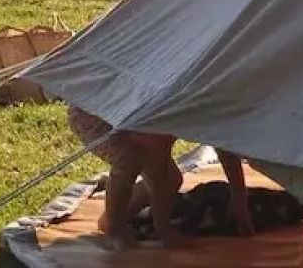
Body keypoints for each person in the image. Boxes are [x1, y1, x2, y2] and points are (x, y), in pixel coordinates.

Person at [67, 103, 254, 250]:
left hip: (132, 114)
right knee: (128, 161)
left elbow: (225, 149)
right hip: (93, 113)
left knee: (172, 179)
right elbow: (157, 170)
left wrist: (239, 198)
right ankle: (115, 229)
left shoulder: (213, 110)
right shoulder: (167, 113)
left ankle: (114, 216)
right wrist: (163, 229)